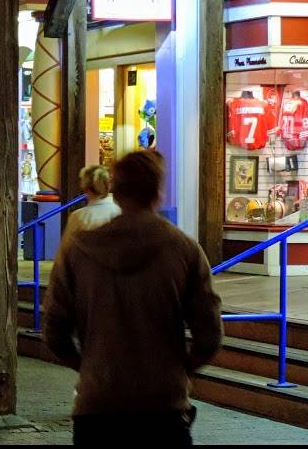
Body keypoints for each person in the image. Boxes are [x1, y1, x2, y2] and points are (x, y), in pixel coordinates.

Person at [43, 151, 223, 447]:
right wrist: (179, 368)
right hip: (163, 409)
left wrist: (89, 366)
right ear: (158, 192)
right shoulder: (184, 250)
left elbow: (54, 332)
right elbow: (210, 335)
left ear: (115, 190)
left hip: (97, 407)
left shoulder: (78, 250)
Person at [61, 165, 121, 246]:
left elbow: (65, 250)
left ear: (86, 188)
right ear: (108, 186)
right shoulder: (120, 212)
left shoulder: (78, 217)